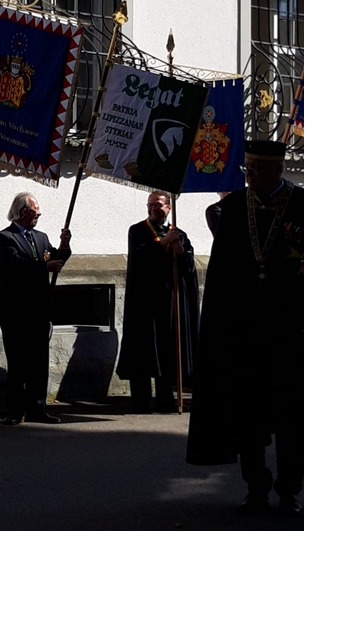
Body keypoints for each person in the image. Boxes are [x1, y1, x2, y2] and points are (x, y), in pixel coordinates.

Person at [185, 140, 304, 516]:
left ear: (277, 171)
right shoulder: (234, 208)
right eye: (247, 171)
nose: (250, 177)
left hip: (291, 334)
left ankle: (289, 490)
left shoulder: (301, 206)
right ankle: (256, 487)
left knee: (290, 420)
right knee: (248, 417)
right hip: (245, 334)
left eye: (257, 171)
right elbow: (222, 275)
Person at [116, 191, 200, 413]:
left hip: (169, 304)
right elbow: (140, 259)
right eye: (150, 205)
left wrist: (179, 249)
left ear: (169, 208)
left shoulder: (179, 233)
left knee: (167, 351)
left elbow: (189, 268)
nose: (154, 208)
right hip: (144, 304)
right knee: (143, 351)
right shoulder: (138, 230)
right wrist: (163, 244)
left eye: (159, 205)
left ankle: (166, 399)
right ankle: (141, 401)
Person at [0, 193, 72, 424]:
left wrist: (64, 246)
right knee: (17, 361)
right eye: (34, 210)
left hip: (39, 308)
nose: (38, 213)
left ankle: (37, 407)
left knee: (39, 361)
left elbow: (54, 258)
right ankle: (15, 410)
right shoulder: (5, 238)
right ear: (21, 211)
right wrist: (44, 266)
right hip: (15, 309)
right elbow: (14, 265)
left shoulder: (41, 237)